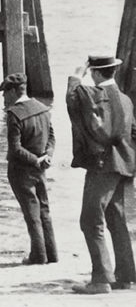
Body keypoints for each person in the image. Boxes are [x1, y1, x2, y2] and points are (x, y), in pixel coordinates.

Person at [66, 54, 136, 294]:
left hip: (103, 166)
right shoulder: (126, 100)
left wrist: (76, 75)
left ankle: (101, 280)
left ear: (95, 73)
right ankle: (126, 276)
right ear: (113, 72)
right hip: (125, 166)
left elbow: (73, 99)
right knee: (117, 220)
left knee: (90, 220)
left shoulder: (93, 95)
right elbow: (134, 132)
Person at [0, 72, 57, 266]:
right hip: (41, 168)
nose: (4, 96)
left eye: (5, 92)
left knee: (32, 214)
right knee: (44, 210)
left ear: (14, 91)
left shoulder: (14, 114)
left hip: (22, 170)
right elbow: (51, 137)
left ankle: (38, 256)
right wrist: (46, 157)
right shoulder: (43, 109)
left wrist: (34, 160)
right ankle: (52, 254)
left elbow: (15, 149)